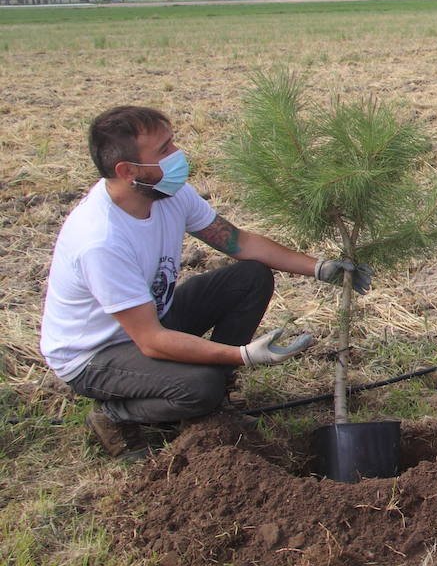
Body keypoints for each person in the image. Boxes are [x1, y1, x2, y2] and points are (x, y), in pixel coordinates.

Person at [41, 106, 374, 458]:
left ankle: (215, 392)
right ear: (128, 171)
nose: (178, 156)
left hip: (151, 319)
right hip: (96, 354)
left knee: (250, 276)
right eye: (164, 150)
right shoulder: (101, 240)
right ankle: (115, 415)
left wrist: (320, 268)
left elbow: (239, 242)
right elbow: (152, 341)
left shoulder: (168, 194)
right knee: (200, 387)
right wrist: (242, 355)